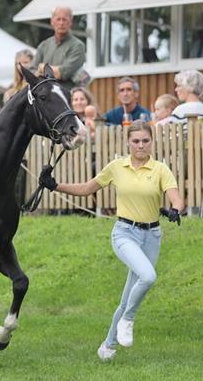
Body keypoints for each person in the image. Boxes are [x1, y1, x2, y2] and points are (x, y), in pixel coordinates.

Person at [38, 120, 184, 361]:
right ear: (128, 142)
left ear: (152, 142)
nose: (140, 146)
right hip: (125, 233)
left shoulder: (160, 169)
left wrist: (176, 210)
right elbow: (87, 188)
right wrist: (54, 186)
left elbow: (176, 198)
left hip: (152, 236)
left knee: (127, 296)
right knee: (148, 277)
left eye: (145, 141)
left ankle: (108, 345)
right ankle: (128, 320)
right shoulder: (117, 166)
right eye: (136, 141)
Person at [30, 6, 86, 90]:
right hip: (44, 96)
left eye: (65, 19)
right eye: (58, 19)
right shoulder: (44, 45)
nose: (61, 23)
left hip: (67, 96)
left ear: (70, 22)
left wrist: (43, 68)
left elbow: (63, 73)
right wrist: (53, 70)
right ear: (52, 22)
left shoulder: (77, 46)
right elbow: (31, 72)